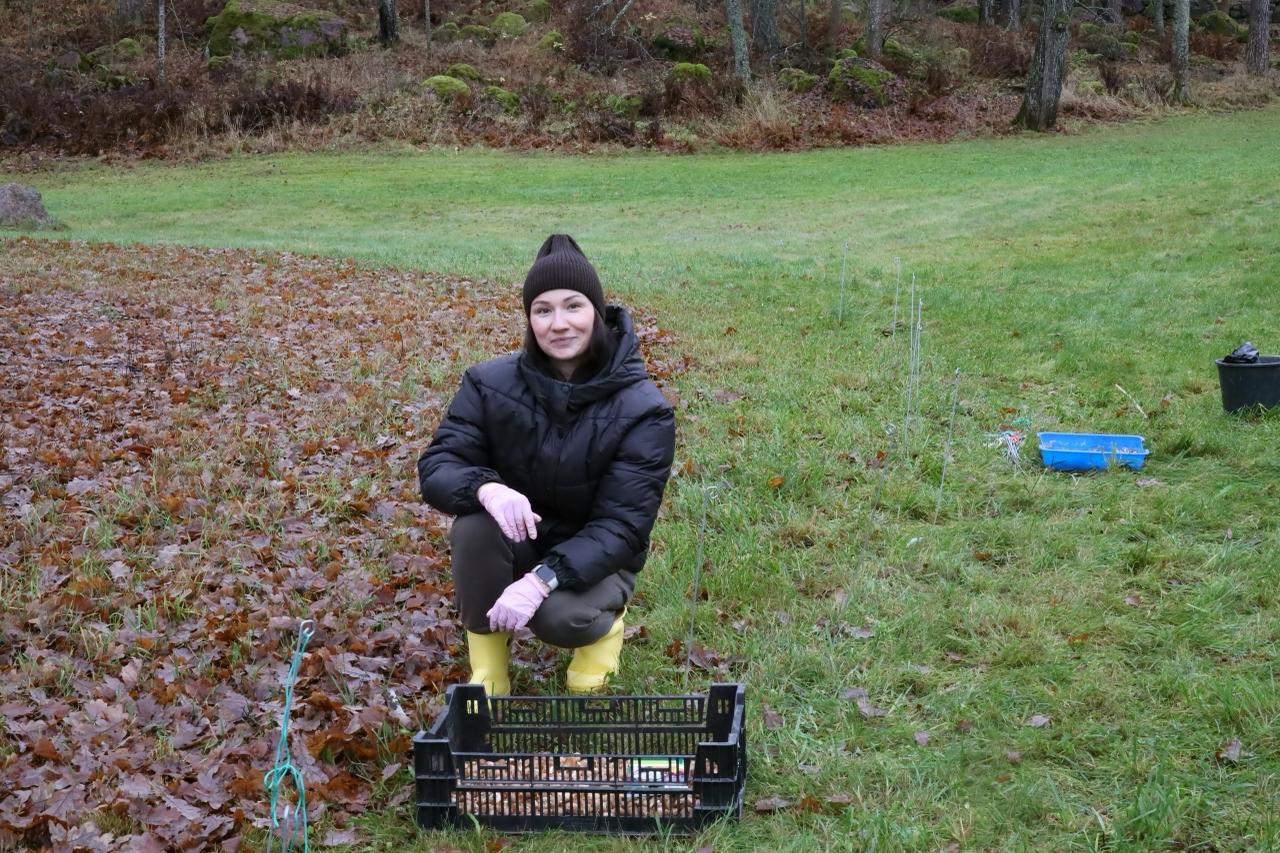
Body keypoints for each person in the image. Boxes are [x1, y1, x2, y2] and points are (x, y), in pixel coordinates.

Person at [418, 234, 676, 695]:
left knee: (562, 618)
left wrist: (539, 582)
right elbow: (440, 463)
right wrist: (487, 489)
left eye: (573, 306)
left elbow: (622, 525)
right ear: (529, 319)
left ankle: (603, 633)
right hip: (525, 538)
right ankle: (489, 672)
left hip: (599, 555)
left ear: (597, 312)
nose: (559, 324)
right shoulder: (487, 383)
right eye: (543, 310)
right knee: (474, 527)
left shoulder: (644, 409)